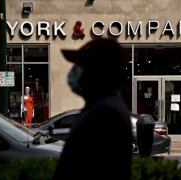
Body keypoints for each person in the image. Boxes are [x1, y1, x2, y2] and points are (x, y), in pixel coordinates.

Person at [53, 38, 133, 180]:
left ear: (97, 70)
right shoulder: (100, 107)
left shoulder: (106, 113)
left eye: (80, 65)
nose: (74, 71)